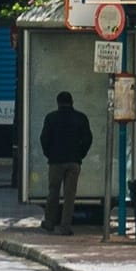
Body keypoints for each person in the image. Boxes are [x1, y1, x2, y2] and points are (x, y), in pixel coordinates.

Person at [39, 90, 93, 235]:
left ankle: (49, 222)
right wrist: (80, 154)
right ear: (72, 102)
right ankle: (65, 226)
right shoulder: (81, 118)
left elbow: (44, 139)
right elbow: (88, 139)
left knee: (53, 192)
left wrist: (49, 154)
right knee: (70, 195)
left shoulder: (51, 118)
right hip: (74, 161)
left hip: (56, 161)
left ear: (58, 103)